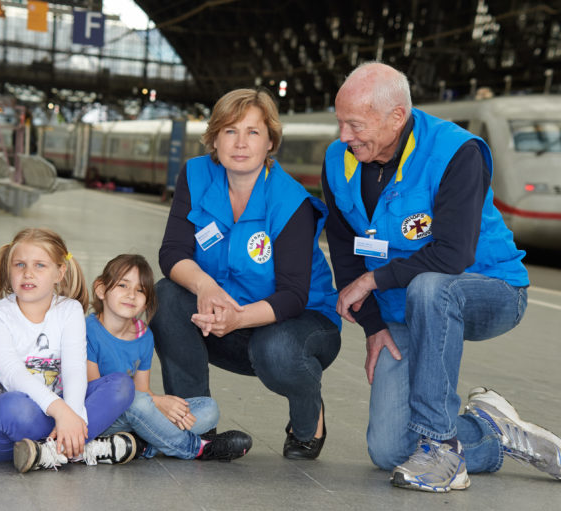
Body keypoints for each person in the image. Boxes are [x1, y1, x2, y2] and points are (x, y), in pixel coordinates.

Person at [322, 61, 561, 492]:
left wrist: (373, 282)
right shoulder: (340, 161)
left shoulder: (456, 152)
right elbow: (344, 246)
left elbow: (452, 255)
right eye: (339, 122)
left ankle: (441, 448)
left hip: (490, 289)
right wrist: (374, 326)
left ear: (396, 117)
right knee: (389, 450)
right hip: (404, 306)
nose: (343, 136)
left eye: (354, 124)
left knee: (432, 287)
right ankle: (494, 432)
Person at [151, 88, 342, 460]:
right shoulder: (195, 175)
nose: (241, 143)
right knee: (166, 296)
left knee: (276, 348)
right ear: (214, 138)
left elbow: (292, 295)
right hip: (225, 315)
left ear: (270, 141)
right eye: (230, 131)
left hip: (298, 324)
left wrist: (238, 318)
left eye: (253, 132)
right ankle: (197, 431)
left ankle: (308, 419)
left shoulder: (292, 203)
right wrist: (205, 287)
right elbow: (172, 252)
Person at [0, 228, 140, 473]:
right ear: (9, 269)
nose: (28, 273)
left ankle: (54, 449)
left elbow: (74, 369)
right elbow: (14, 376)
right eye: (20, 265)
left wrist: (73, 416)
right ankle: (79, 448)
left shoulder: (69, 311)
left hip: (55, 417)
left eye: (40, 265)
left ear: (60, 272)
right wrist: (63, 414)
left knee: (122, 385)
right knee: (13, 406)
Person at [87, 254, 253, 462]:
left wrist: (158, 404)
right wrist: (157, 403)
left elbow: (142, 389)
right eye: (123, 285)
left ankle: (140, 443)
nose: (131, 295)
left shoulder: (144, 336)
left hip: (137, 411)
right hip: (100, 415)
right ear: (101, 289)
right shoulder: (88, 331)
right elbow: (94, 391)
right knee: (139, 405)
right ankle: (194, 448)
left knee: (208, 409)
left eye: (140, 290)